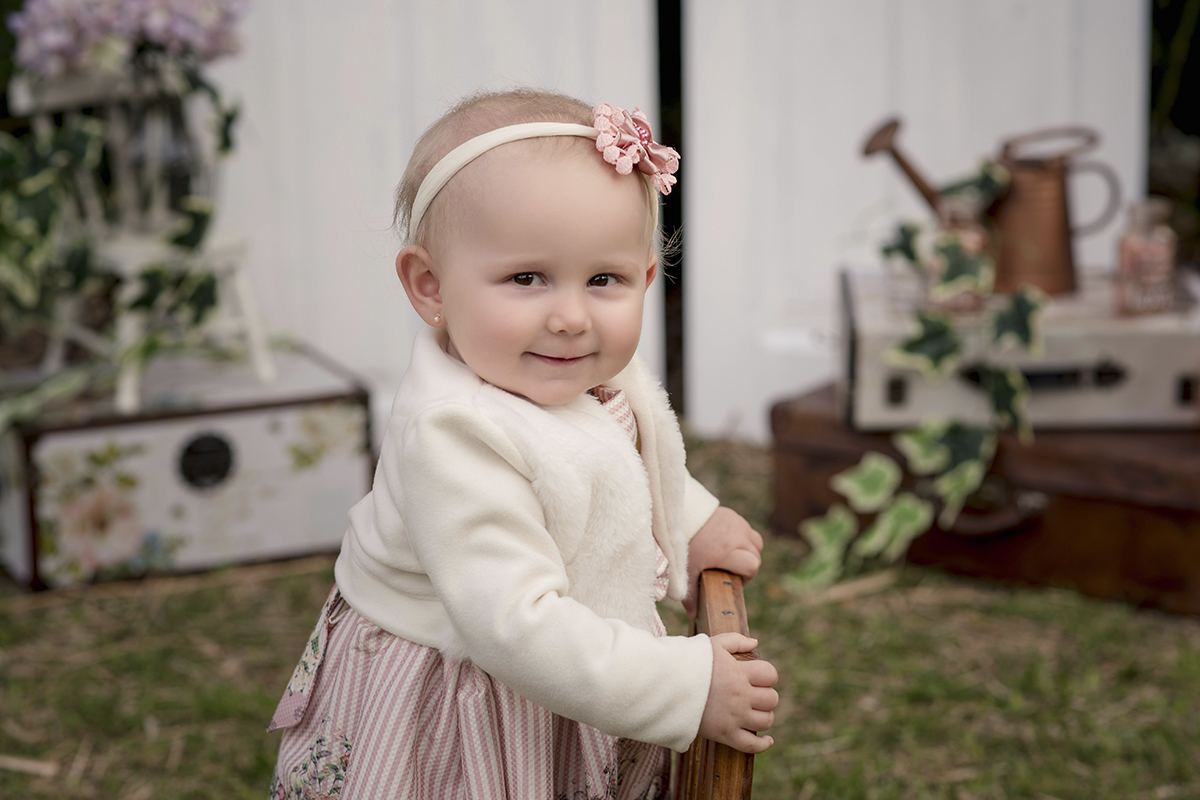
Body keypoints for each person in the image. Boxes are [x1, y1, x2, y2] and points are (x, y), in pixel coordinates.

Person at [267, 88, 778, 800]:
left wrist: (689, 519)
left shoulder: (576, 373)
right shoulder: (455, 433)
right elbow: (515, 628)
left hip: (562, 667)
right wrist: (683, 687)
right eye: (526, 278)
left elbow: (615, 458)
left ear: (644, 280)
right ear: (430, 286)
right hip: (463, 688)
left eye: (604, 279)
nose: (570, 316)